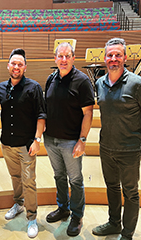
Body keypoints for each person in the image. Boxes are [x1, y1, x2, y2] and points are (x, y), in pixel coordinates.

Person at [0, 48, 46, 238]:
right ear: (8, 65)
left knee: (29, 181)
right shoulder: (0, 89)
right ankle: (19, 203)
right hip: (7, 144)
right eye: (13, 63)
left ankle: (31, 217)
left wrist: (37, 140)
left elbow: (41, 115)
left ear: (25, 67)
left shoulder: (33, 87)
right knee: (15, 177)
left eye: (20, 64)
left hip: (27, 145)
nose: (16, 67)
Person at [44, 42, 94, 237]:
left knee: (75, 179)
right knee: (58, 176)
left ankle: (77, 216)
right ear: (55, 58)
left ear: (73, 58)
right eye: (60, 56)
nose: (63, 60)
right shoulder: (51, 78)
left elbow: (88, 113)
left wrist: (82, 140)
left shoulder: (82, 81)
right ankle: (63, 208)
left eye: (67, 56)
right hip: (51, 140)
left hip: (71, 141)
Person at [92, 38, 140, 240]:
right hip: (106, 147)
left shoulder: (137, 84)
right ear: (105, 58)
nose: (114, 59)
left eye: (118, 55)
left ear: (125, 58)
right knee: (111, 187)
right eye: (110, 55)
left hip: (130, 149)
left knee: (130, 193)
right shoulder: (99, 83)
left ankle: (127, 234)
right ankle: (114, 223)